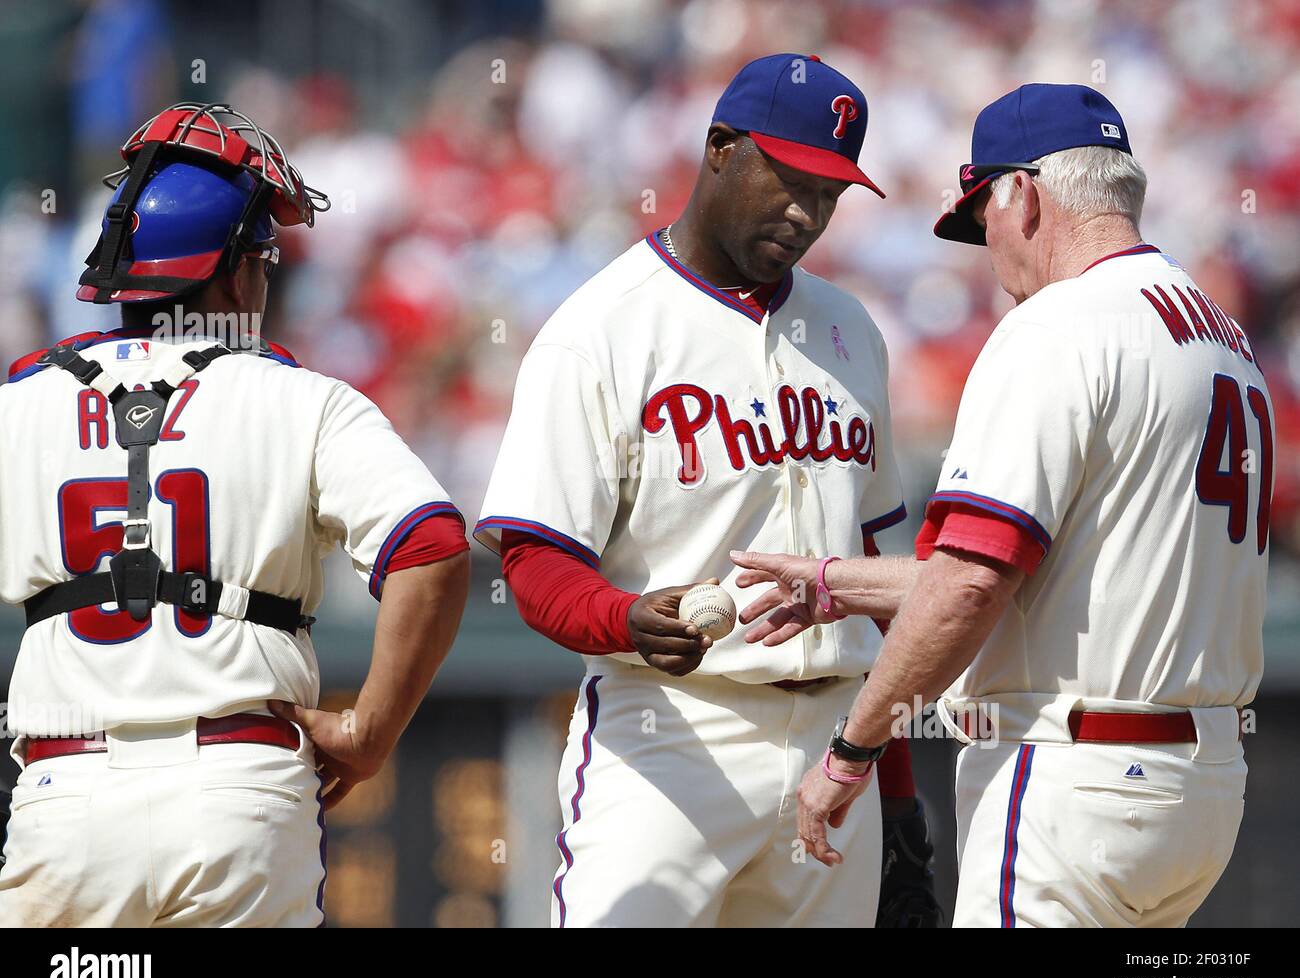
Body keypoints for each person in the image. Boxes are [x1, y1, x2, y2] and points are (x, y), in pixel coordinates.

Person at [734, 84, 1272, 927]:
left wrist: (852, 749)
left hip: (1073, 779)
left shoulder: (1058, 326)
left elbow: (973, 586)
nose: (985, 247)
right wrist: (839, 581)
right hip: (1201, 791)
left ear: (1021, 193)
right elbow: (1055, 573)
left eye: (981, 215)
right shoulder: (1221, 334)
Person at [477, 54, 935, 927]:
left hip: (836, 744)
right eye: (791, 179)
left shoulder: (851, 331)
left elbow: (882, 590)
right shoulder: (601, 329)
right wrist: (624, 619)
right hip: (671, 733)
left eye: (831, 194)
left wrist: (902, 801)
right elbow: (535, 561)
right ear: (720, 148)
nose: (807, 213)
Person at [0, 103, 470, 927]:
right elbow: (432, 547)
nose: (264, 278)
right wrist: (369, 731)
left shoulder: (20, 401)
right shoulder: (301, 397)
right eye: (262, 257)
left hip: (64, 793)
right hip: (237, 792)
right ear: (228, 271)